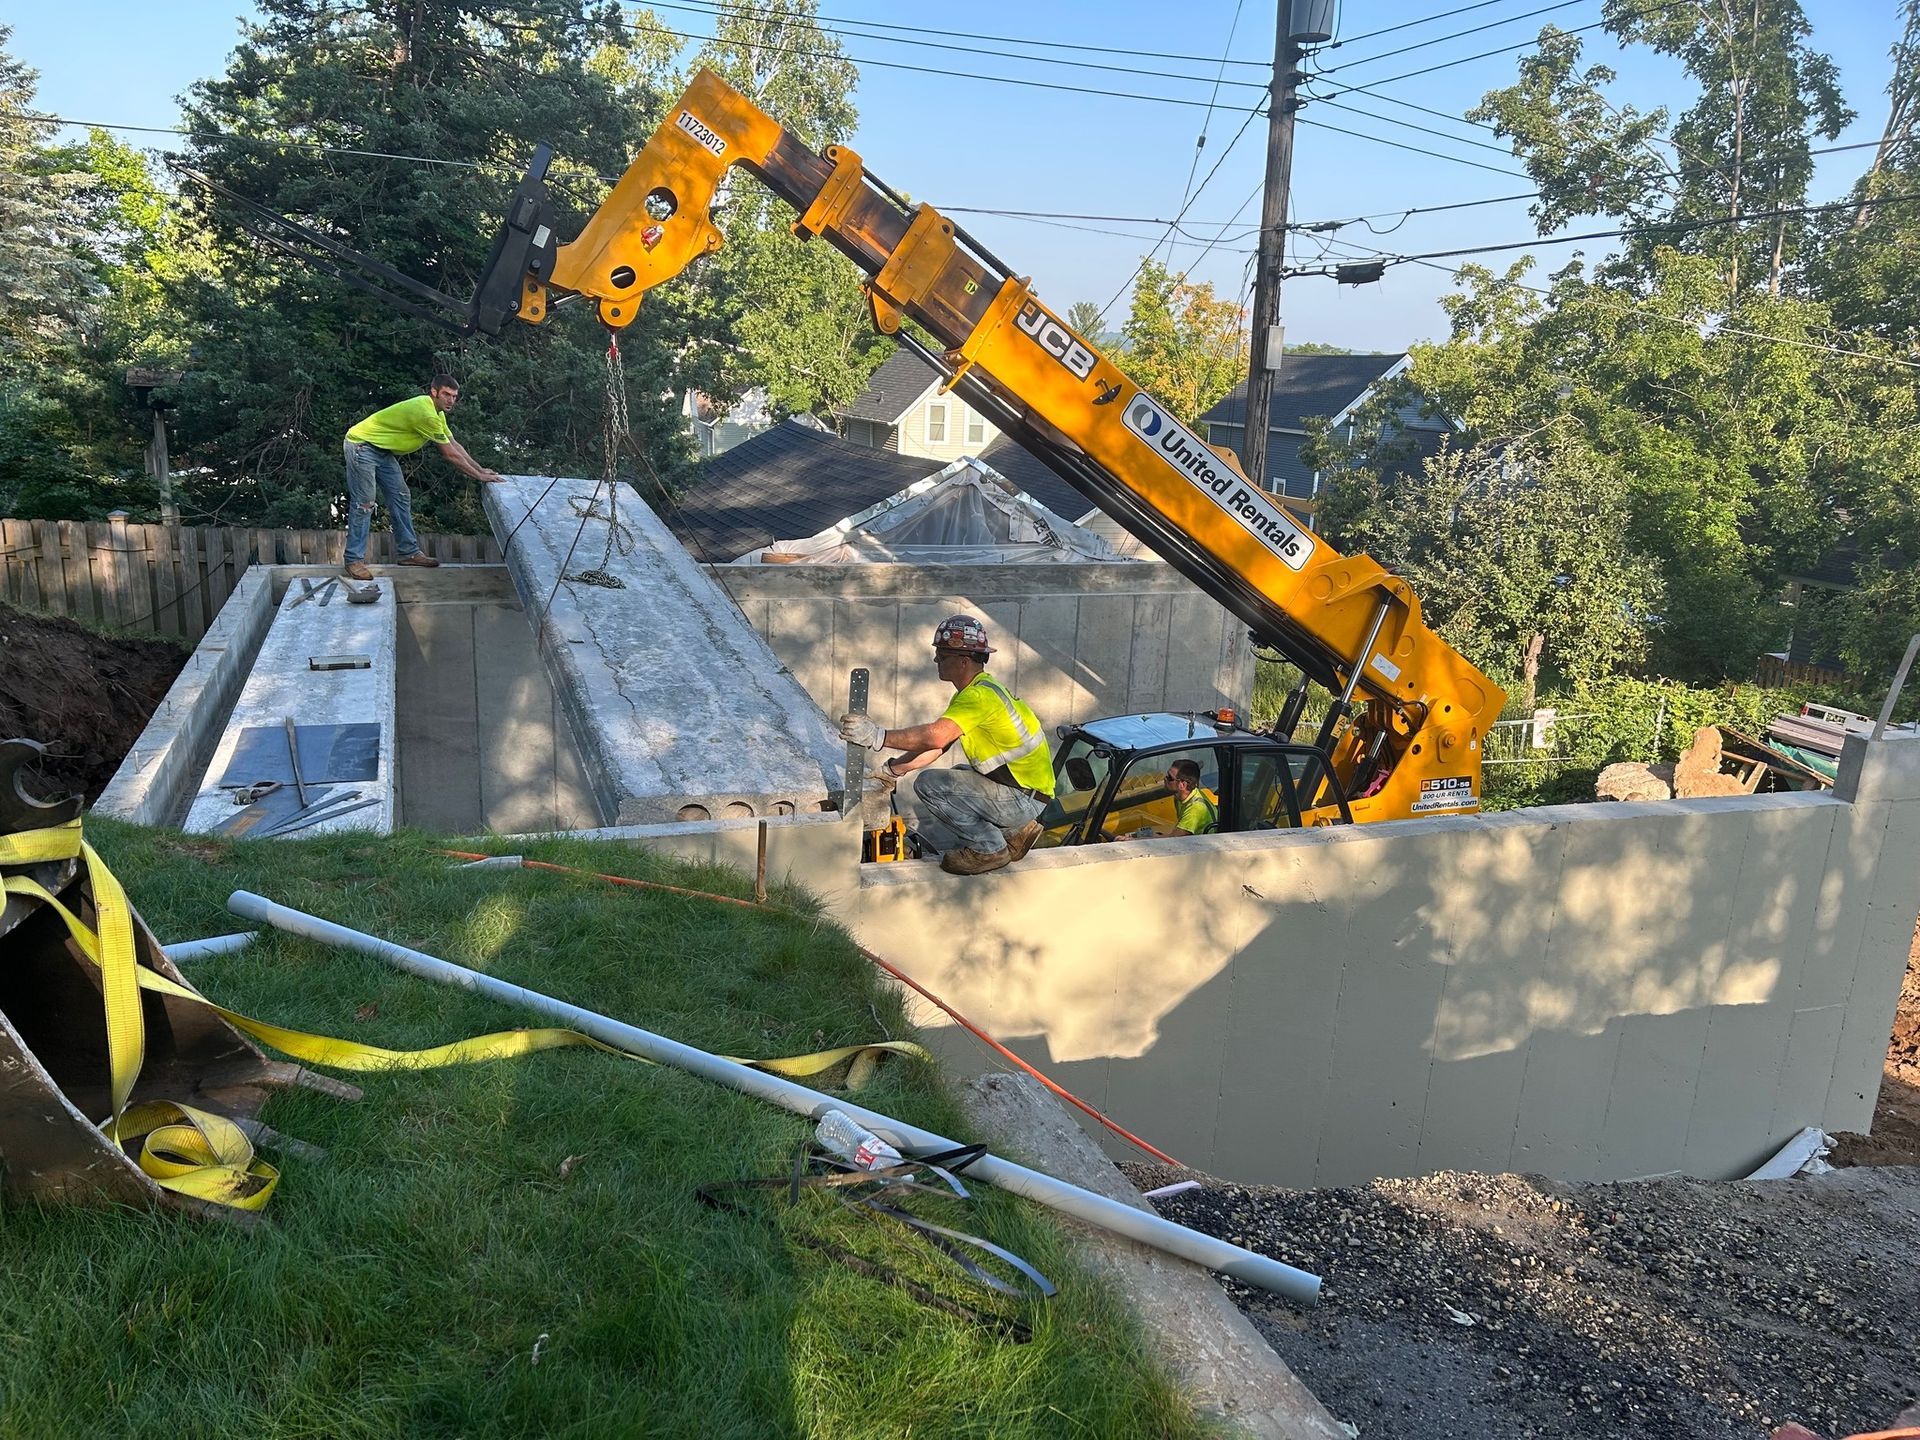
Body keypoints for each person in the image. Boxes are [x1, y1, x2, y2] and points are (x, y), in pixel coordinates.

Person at [838, 615, 1054, 876]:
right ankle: (1018, 833)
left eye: (941, 656)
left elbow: (935, 736)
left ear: (963, 661)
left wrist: (878, 736)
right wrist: (893, 770)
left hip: (1022, 800)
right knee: (962, 773)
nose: (935, 661)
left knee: (930, 784)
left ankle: (989, 849)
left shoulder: (978, 697)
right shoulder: (981, 690)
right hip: (1029, 795)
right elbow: (941, 745)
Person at [341, 374, 501, 581]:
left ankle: (408, 553)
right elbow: (449, 454)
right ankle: (353, 560)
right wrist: (479, 477)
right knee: (365, 503)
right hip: (361, 445)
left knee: (401, 496)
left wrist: (481, 469)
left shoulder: (438, 414)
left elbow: (455, 445)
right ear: (434, 392)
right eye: (446, 394)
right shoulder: (425, 413)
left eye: (454, 396)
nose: (451, 400)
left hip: (381, 450)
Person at [1114, 758, 1217, 841]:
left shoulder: (1195, 809)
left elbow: (1173, 840)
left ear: (1183, 784)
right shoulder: (1180, 797)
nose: (1164, 779)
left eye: (1170, 778)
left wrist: (1131, 841)